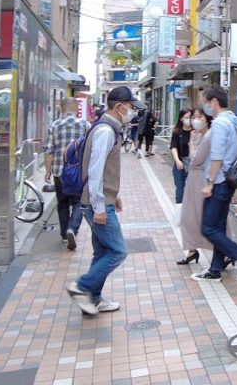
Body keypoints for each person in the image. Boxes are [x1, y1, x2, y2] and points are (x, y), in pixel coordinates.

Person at [66, 86, 144, 315]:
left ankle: (93, 299)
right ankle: (82, 288)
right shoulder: (106, 131)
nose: (132, 111)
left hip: (99, 200)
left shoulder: (107, 128)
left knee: (102, 252)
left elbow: (101, 171)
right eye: (130, 107)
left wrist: (113, 194)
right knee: (118, 251)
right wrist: (100, 205)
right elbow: (95, 170)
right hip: (96, 204)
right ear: (119, 107)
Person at [191, 86, 237, 283]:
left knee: (208, 228)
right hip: (227, 182)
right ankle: (215, 269)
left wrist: (209, 182)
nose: (206, 107)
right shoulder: (234, 121)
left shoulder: (220, 124)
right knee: (217, 226)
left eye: (206, 102)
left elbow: (217, 156)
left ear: (213, 103)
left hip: (219, 181)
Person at [176, 108, 226, 265]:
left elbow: (195, 158)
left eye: (199, 117)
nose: (195, 120)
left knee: (205, 217)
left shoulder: (208, 136)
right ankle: (192, 250)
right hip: (193, 179)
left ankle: (226, 250)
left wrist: (191, 142)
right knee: (189, 216)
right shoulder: (198, 134)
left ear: (207, 119)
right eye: (193, 117)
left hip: (202, 179)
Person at [45, 97, 89, 251]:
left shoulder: (54, 125)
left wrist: (47, 171)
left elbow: (49, 150)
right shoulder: (84, 124)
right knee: (79, 202)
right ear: (76, 108)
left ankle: (64, 235)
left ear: (61, 108)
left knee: (62, 204)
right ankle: (72, 229)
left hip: (59, 172)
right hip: (79, 172)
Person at [170, 110, 192, 204]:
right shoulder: (177, 132)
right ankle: (179, 212)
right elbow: (173, 147)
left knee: (192, 191)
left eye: (191, 117)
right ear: (181, 119)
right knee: (180, 190)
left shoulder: (196, 131)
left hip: (193, 164)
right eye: (186, 118)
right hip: (180, 163)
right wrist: (177, 160)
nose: (189, 120)